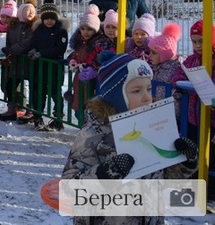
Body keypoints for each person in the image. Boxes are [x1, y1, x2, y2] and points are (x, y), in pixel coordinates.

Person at [62, 52, 198, 225]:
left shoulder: (152, 128)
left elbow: (164, 180)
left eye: (149, 89)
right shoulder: (94, 134)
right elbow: (69, 189)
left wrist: (185, 163)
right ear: (115, 96)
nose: (147, 97)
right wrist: (104, 175)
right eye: (136, 91)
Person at [27, 0, 69, 131]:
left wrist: (42, 53)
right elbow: (33, 43)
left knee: (55, 92)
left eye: (52, 18)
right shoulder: (38, 29)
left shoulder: (61, 31)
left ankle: (58, 118)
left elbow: (60, 48)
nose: (49, 21)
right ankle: (38, 116)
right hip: (40, 68)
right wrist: (33, 50)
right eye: (46, 18)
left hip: (55, 67)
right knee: (39, 92)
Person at [171, 20, 215, 138]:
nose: (197, 46)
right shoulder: (192, 60)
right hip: (193, 117)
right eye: (194, 42)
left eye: (201, 41)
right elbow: (179, 73)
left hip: (211, 119)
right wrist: (181, 82)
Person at [0, 0, 38, 122]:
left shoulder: (34, 26)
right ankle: (11, 109)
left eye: (32, 11)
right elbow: (8, 39)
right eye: (27, 11)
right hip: (16, 62)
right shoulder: (13, 26)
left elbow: (28, 43)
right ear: (21, 12)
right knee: (10, 85)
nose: (30, 13)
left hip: (29, 62)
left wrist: (12, 49)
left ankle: (31, 110)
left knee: (33, 87)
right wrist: (7, 48)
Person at [64, 4, 102, 120]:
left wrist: (90, 67)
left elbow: (98, 59)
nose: (85, 32)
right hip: (79, 81)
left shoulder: (97, 44)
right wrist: (72, 60)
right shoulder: (79, 42)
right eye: (83, 28)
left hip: (91, 81)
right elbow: (74, 54)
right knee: (78, 109)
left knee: (88, 109)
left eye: (90, 29)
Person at [148, 23, 181, 103]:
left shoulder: (175, 71)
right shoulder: (157, 67)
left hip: (169, 110)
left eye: (154, 53)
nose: (150, 55)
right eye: (150, 52)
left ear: (165, 55)